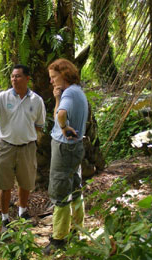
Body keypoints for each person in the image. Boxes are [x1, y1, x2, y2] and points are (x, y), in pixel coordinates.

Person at [0, 64, 46, 233]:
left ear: (27, 79)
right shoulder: (3, 97)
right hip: (6, 146)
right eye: (12, 76)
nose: (14, 79)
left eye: (18, 76)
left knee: (25, 181)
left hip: (27, 147)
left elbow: (39, 126)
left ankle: (22, 212)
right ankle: (5, 219)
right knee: (4, 184)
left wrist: (26, 137)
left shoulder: (37, 101)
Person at [43, 58, 88, 255]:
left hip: (64, 148)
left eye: (54, 77)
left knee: (60, 191)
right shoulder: (75, 91)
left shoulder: (70, 93)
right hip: (75, 147)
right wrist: (57, 99)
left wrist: (63, 127)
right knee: (75, 188)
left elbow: (60, 116)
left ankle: (59, 239)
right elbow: (58, 112)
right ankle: (77, 230)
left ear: (65, 74)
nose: (51, 81)